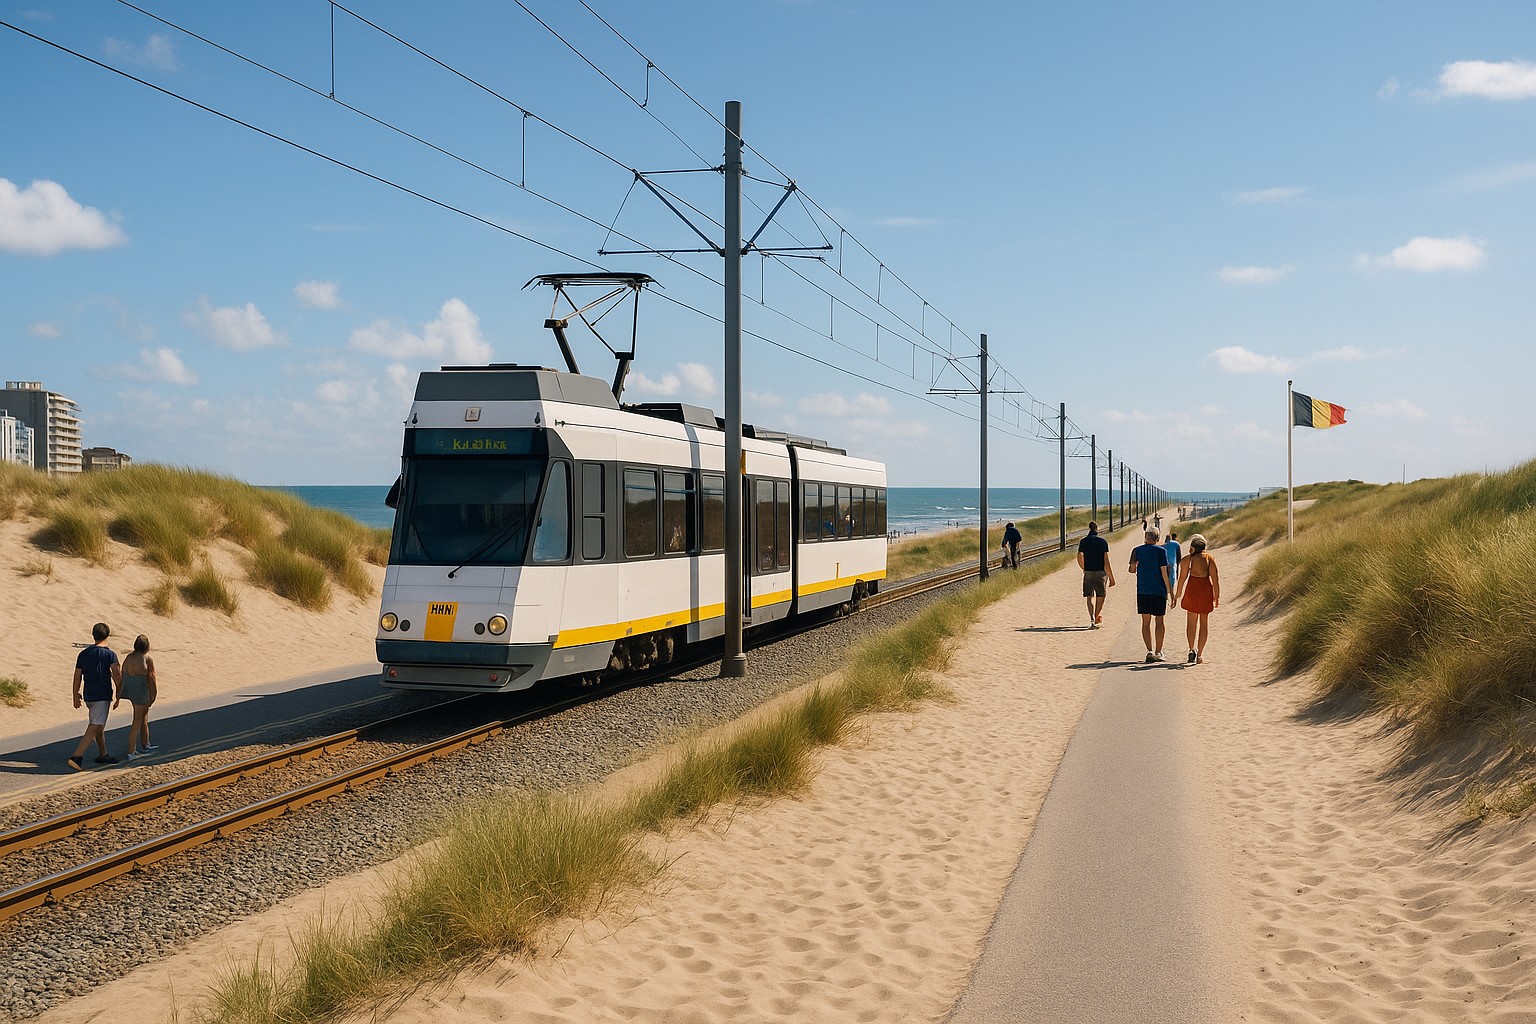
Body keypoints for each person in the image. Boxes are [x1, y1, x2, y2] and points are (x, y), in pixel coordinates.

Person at [68, 622, 122, 771]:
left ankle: (103, 754)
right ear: (108, 635)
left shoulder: (84, 654)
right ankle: (77, 756)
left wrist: (75, 694)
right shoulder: (110, 654)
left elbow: (77, 675)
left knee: (99, 725)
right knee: (95, 725)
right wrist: (119, 692)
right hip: (102, 694)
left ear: (93, 635)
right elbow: (117, 675)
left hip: (89, 694)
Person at [1174, 533, 1221, 664]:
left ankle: (1191, 648)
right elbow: (1215, 580)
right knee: (1204, 623)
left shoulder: (1187, 560)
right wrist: (1216, 596)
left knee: (1191, 622)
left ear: (1192, 548)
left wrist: (1177, 595)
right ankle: (1200, 655)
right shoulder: (1209, 558)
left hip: (1192, 590)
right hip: (1205, 590)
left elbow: (1182, 579)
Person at [1128, 529, 1172, 662]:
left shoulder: (1137, 550)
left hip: (1143, 590)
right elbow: (1164, 573)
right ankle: (1159, 651)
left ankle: (1149, 650)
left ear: (1146, 537)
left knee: (1145, 622)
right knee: (1159, 621)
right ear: (1157, 538)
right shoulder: (1161, 551)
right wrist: (1171, 592)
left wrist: (1137, 565)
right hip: (1159, 591)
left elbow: (1131, 569)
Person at [121, 634, 160, 760]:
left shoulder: (129, 657)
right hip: (142, 690)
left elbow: (123, 673)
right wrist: (153, 695)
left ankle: (146, 744)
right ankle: (131, 752)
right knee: (137, 720)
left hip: (131, 690)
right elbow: (152, 678)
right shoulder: (147, 658)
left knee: (143, 717)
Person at [1076, 521, 1115, 628]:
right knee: (1101, 595)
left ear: (1089, 529)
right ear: (1097, 529)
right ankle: (1097, 615)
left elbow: (1079, 556)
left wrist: (1084, 567)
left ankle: (1092, 618)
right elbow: (1106, 560)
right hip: (1100, 572)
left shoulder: (1083, 542)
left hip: (1088, 572)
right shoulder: (1102, 542)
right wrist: (1111, 578)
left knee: (1089, 596)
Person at [1163, 530, 1181, 602]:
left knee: (1165, 578)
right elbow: (1179, 556)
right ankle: (1171, 593)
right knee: (1172, 579)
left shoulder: (1163, 546)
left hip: (1164, 564)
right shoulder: (1176, 544)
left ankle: (1166, 595)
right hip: (1172, 563)